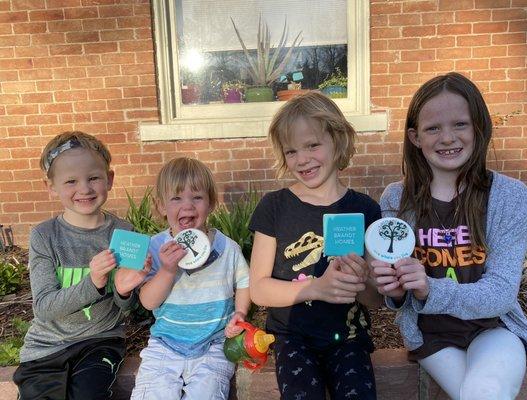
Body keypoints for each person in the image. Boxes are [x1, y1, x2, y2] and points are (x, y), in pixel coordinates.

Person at [373, 72, 527, 400]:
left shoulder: (510, 196)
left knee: (484, 391)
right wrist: (393, 286)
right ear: (415, 137)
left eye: (460, 124)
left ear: (479, 126)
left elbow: (501, 292)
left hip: (494, 328)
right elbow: (396, 296)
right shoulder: (395, 199)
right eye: (433, 128)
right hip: (431, 336)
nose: (447, 138)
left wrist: (430, 287)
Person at [249, 91, 383, 399]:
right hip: (293, 338)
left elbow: (374, 300)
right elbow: (258, 289)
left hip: (348, 337)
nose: (303, 159)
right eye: (291, 151)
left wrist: (361, 280)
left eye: (312, 145)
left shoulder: (365, 209)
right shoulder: (275, 207)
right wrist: (316, 287)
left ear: (338, 141)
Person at [13, 131, 151, 400]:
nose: (84, 189)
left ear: (109, 179)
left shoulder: (124, 233)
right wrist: (94, 283)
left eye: (93, 178)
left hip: (99, 342)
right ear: (51, 186)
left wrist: (124, 291)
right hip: (46, 346)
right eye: (71, 181)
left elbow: (128, 307)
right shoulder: (44, 236)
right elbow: (44, 308)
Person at [130, 157, 251, 400]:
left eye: (197, 197)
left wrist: (240, 312)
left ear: (211, 203)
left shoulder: (228, 248)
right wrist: (166, 270)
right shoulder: (155, 248)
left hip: (213, 346)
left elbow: (244, 283)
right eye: (176, 198)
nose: (187, 206)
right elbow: (148, 302)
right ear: (162, 206)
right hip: (165, 346)